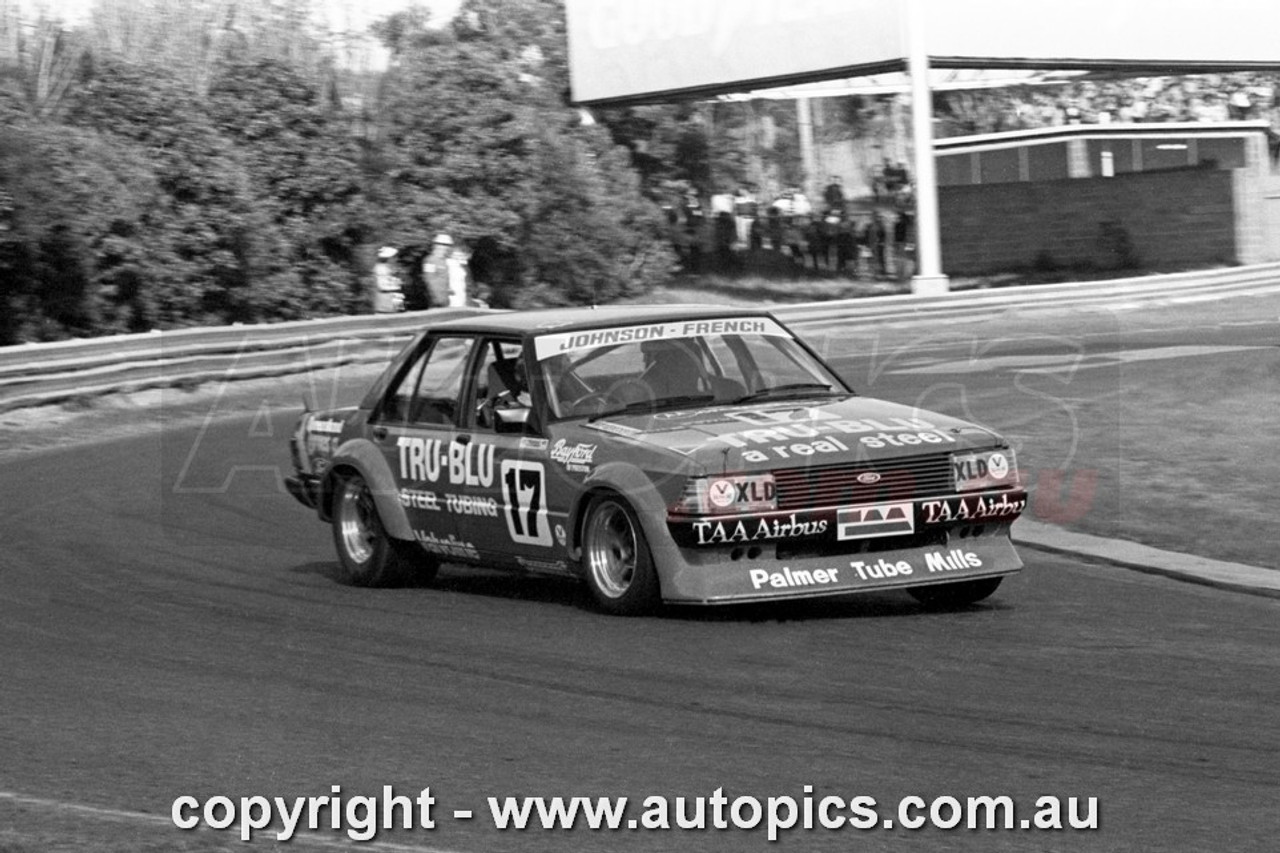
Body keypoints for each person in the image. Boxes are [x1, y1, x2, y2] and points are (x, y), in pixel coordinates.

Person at [421, 233, 453, 308]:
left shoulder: (445, 261)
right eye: (441, 244)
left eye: (446, 245)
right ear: (435, 245)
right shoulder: (430, 260)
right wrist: (436, 297)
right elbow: (429, 279)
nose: (443, 247)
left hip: (446, 297)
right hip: (436, 298)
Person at [372, 246, 405, 313]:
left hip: (396, 296)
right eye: (394, 257)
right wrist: (396, 285)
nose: (396, 259)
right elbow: (382, 286)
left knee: (400, 315)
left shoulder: (389, 267)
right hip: (386, 298)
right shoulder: (380, 268)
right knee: (388, 317)